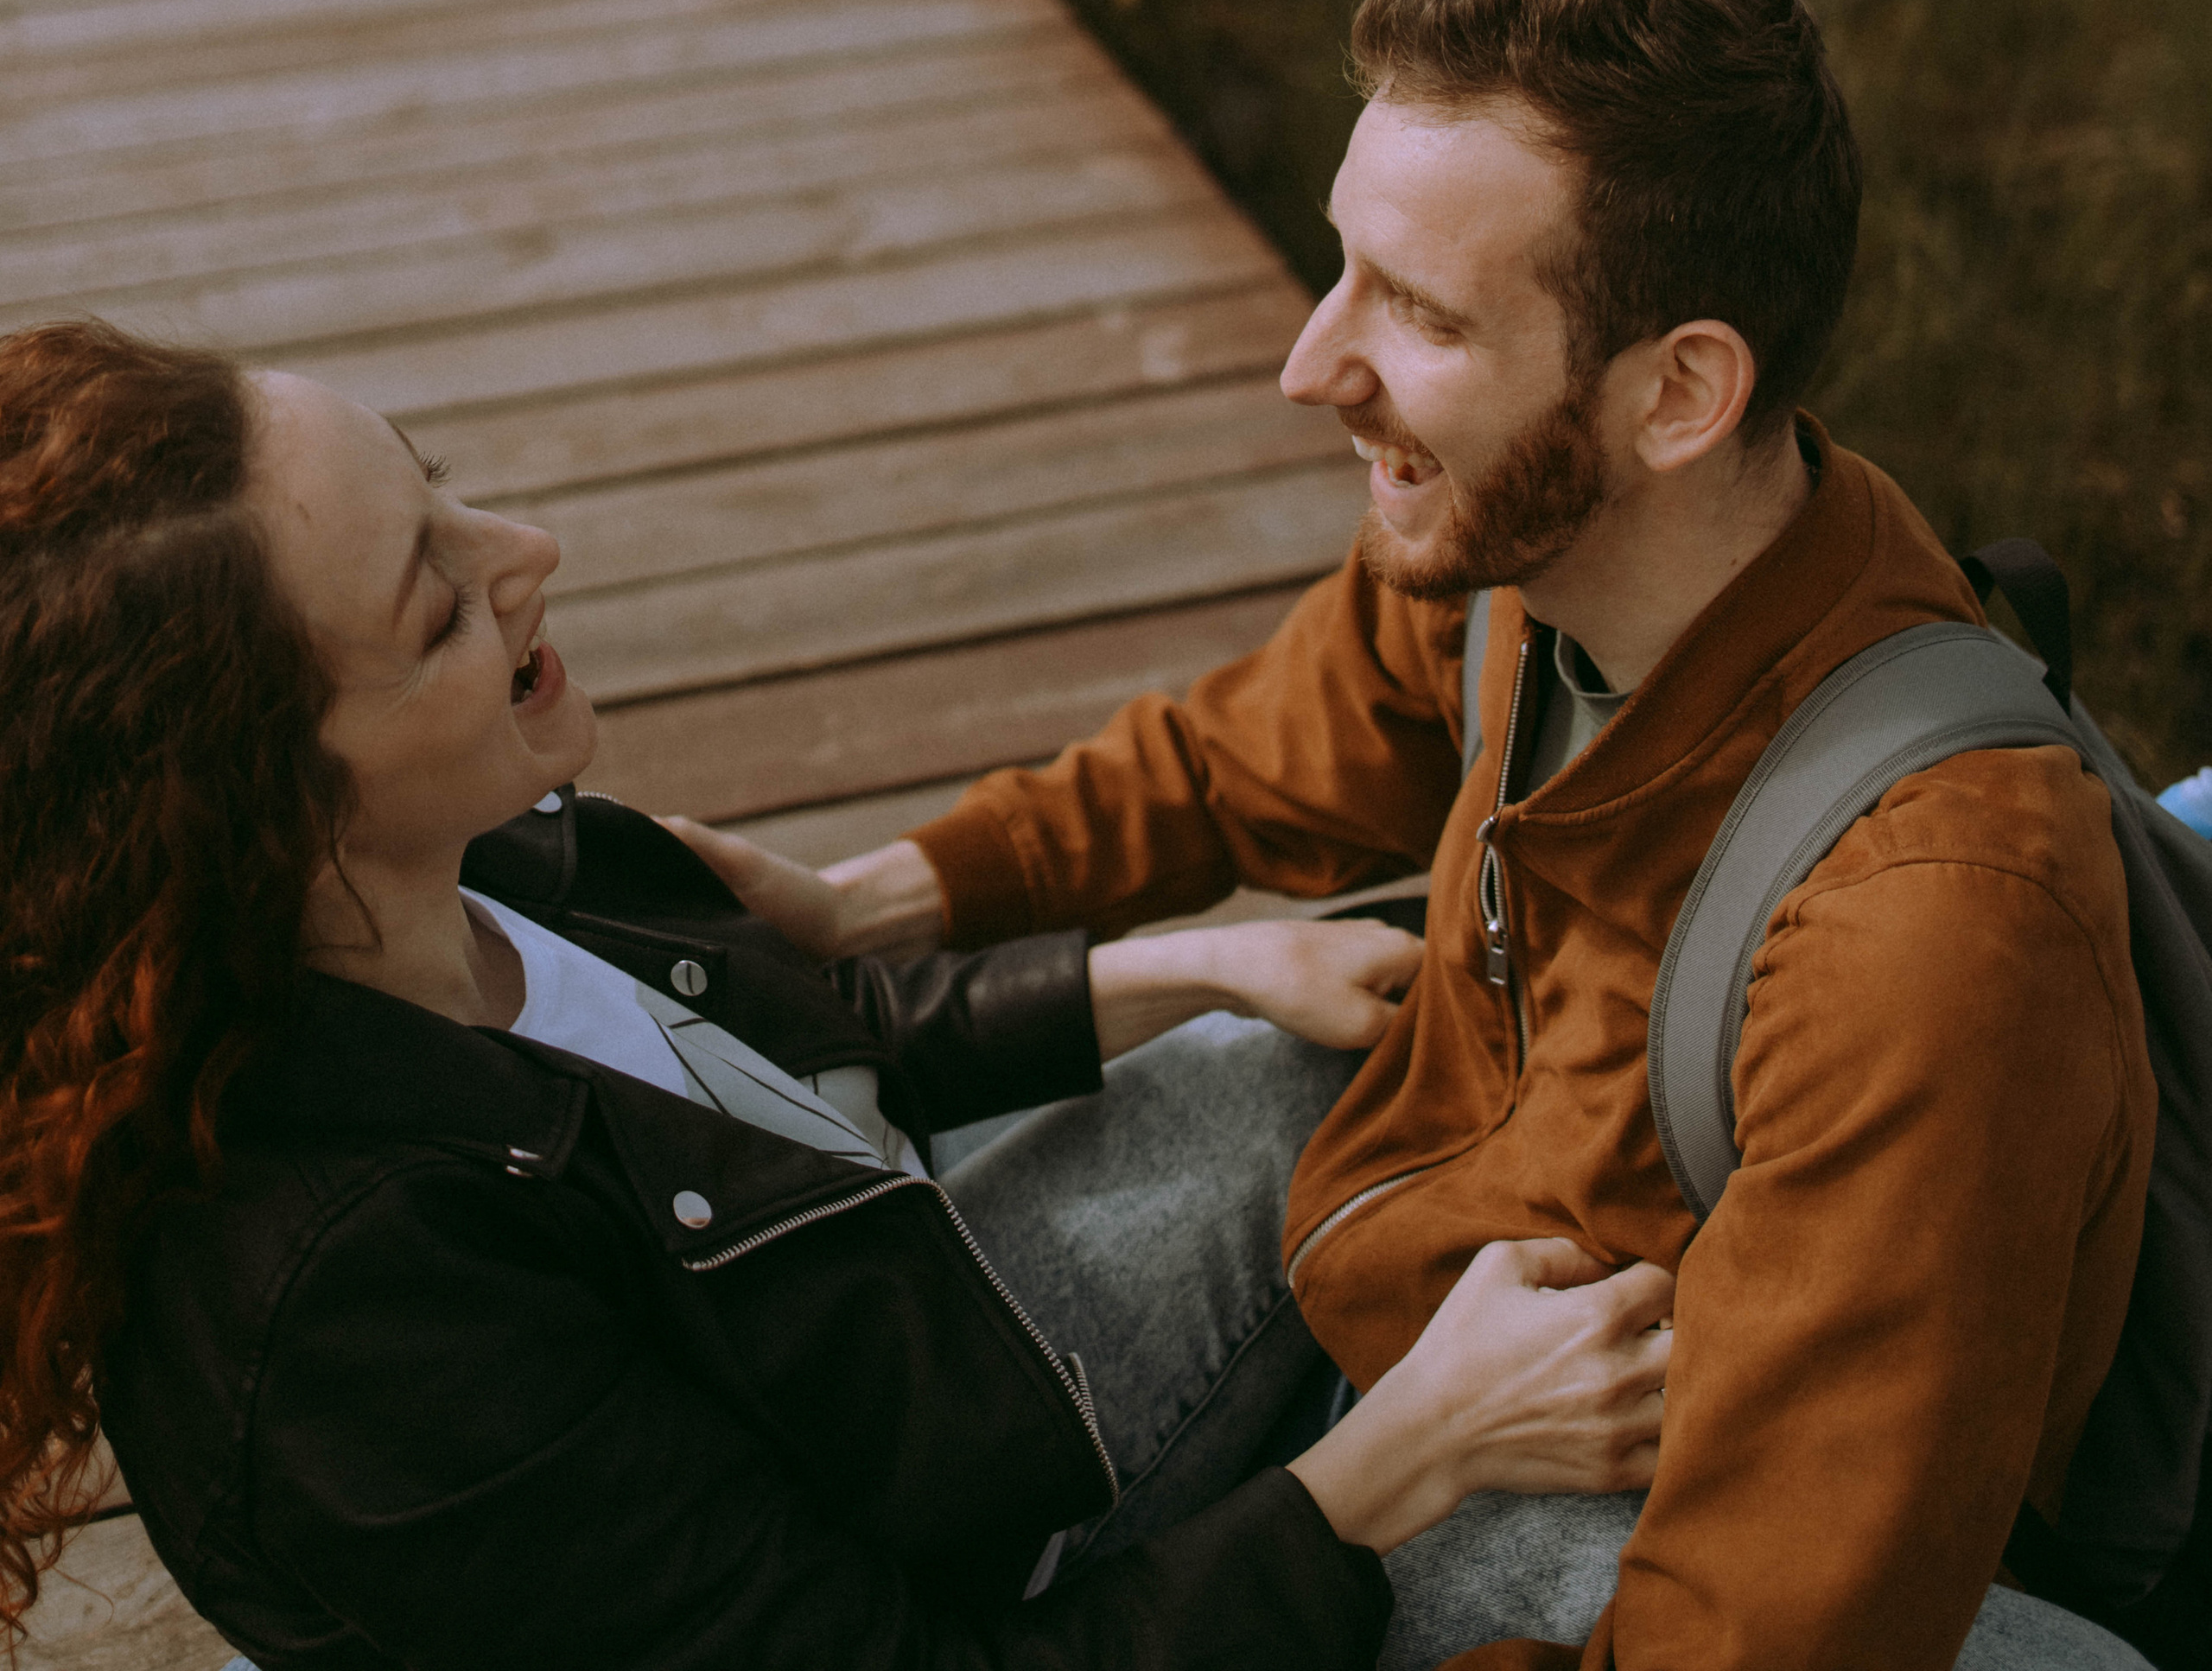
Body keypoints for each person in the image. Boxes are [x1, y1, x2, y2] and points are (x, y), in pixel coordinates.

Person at [690, 0, 2157, 1671]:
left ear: (1676, 391)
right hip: (1439, 1312)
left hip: (1661, 1498)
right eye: (1335, 265)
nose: (1309, 366)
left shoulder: (1925, 938)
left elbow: (1765, 1633)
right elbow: (1244, 753)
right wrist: (883, 899)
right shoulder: (1531, 570)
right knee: (1184, 1103)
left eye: (1418, 314)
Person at [0, 315, 1683, 1671]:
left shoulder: (469, 867)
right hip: (957, 1587)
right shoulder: (355, 1319)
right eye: (439, 603)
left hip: (913, 1391)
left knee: (1332, 1048)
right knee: (1585, 1566)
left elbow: (787, 1071)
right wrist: (1410, 1459)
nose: (528, 547)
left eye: (438, 487)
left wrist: (1183, 966)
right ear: (262, 815)